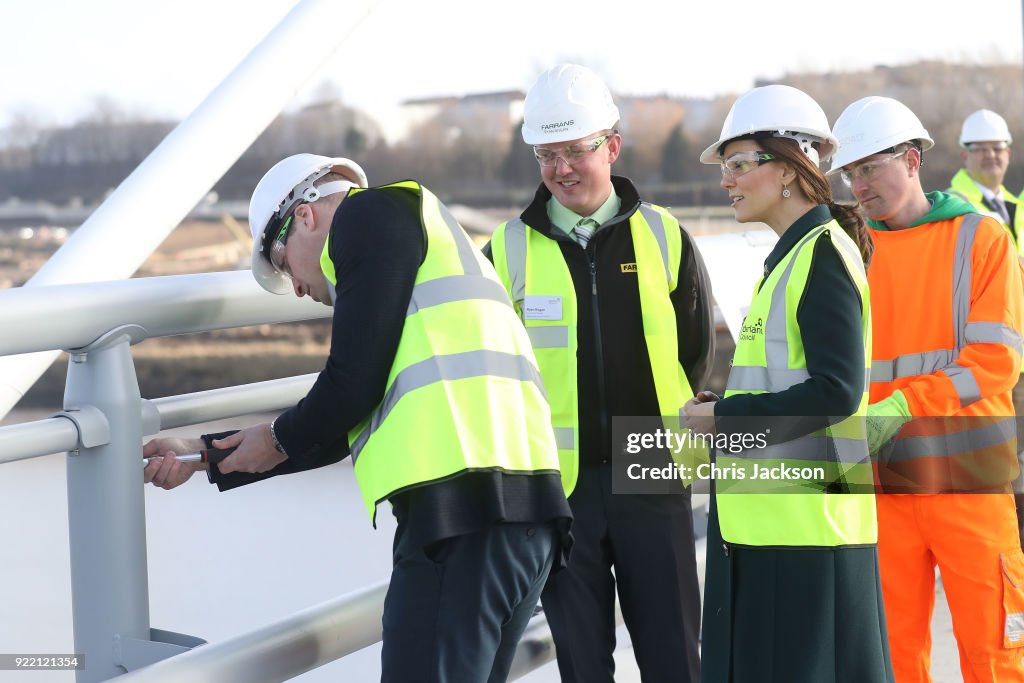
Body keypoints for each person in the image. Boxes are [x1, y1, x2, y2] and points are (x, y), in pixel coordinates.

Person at [142, 153, 574, 683]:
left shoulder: (367, 216)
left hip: (464, 522)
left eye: (282, 264)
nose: (296, 287)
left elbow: (351, 383)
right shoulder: (426, 241)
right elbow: (349, 412)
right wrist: (203, 455)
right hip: (522, 519)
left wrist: (275, 437)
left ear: (305, 216)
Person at [484, 63, 713, 682]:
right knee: (583, 666)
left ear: (610, 147)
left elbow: (692, 353)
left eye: (575, 151)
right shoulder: (504, 253)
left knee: (677, 659)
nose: (562, 169)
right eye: (546, 154)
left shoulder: (665, 236)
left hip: (652, 470)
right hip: (559, 488)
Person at [683, 84, 893, 682]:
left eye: (739, 164)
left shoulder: (823, 255)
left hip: (808, 533)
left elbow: (837, 391)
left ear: (790, 168)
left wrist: (723, 421)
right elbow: (786, 383)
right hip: (773, 525)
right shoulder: (789, 260)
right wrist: (722, 407)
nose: (727, 181)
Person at [831, 95, 1024, 682]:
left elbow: (997, 359)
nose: (859, 184)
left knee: (995, 650)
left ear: (912, 160)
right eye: (851, 172)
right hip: (883, 484)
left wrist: (905, 402)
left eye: (871, 167)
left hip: (969, 481)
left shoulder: (981, 239)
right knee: (890, 655)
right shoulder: (847, 252)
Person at [946, 108, 1024, 544]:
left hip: (1018, 353)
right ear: (964, 155)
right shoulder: (957, 209)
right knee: (996, 460)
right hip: (984, 358)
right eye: (982, 149)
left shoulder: (1016, 206)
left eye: (998, 148)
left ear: (1009, 153)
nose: (992, 156)